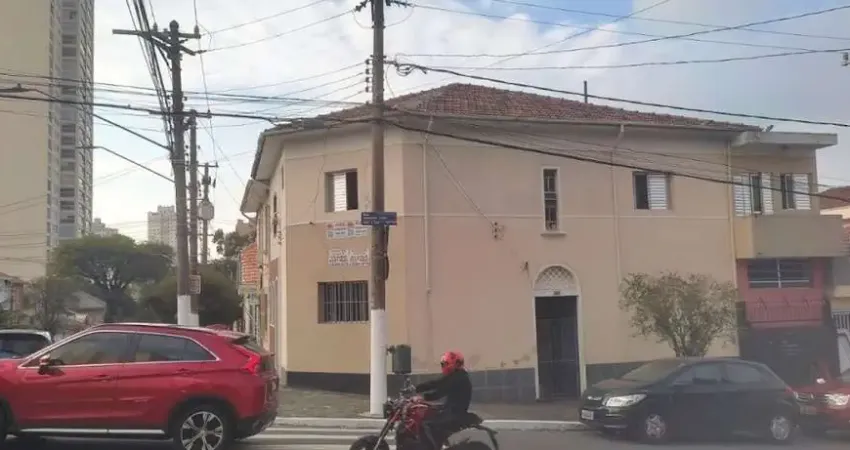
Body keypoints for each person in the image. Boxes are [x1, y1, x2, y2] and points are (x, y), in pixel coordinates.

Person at [414, 351, 472, 449]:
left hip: (454, 413)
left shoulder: (459, 378)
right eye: (443, 364)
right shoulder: (455, 375)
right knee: (428, 415)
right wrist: (417, 388)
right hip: (450, 410)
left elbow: (440, 391)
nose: (444, 366)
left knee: (425, 425)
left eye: (445, 364)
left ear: (454, 364)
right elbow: (436, 383)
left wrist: (423, 397)